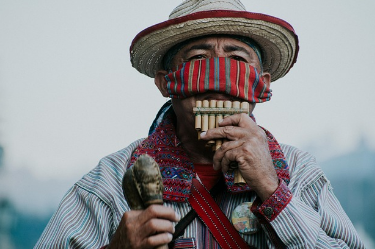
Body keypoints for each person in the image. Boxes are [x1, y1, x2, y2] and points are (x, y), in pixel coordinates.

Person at [35, 0, 365, 248]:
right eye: (197, 61)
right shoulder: (108, 182)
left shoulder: (300, 171)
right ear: (166, 83)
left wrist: (272, 189)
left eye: (236, 61)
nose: (217, 82)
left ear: (260, 86)